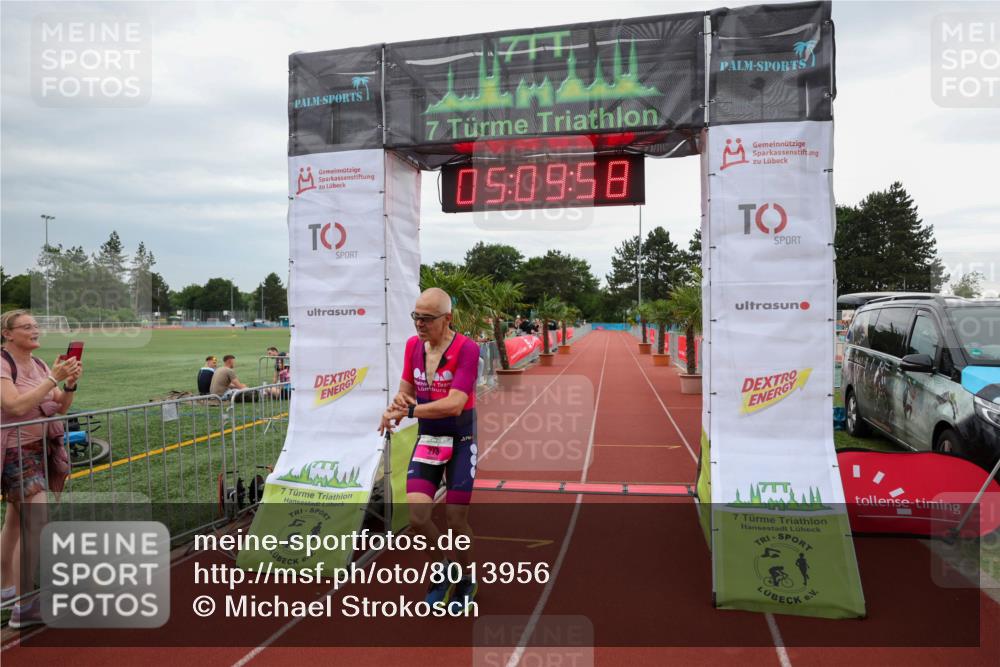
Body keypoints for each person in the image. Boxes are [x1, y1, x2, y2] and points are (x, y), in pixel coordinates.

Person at [379, 288, 480, 613]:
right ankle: (444, 568)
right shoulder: (412, 346)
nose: (419, 324)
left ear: (447, 319)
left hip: (461, 441)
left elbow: (455, 404)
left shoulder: (467, 349)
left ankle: (466, 577)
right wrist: (396, 406)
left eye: (426, 318)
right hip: (429, 440)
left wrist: (408, 412)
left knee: (455, 519)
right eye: (416, 317)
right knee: (418, 517)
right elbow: (407, 390)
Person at [0, 309, 82, 629]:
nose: (35, 330)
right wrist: (53, 378)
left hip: (38, 449)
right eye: (27, 327)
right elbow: (14, 406)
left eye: (36, 325)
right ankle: (24, 606)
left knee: (16, 521)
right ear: (7, 334)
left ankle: (7, 589)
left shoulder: (40, 364)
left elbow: (58, 405)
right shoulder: (4, 364)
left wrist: (70, 384)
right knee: (37, 521)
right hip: (14, 451)